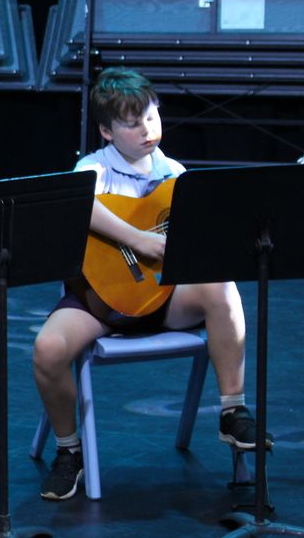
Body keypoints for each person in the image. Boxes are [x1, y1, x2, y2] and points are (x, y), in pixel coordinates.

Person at [31, 67, 269, 501]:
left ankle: (232, 411)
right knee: (48, 349)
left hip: (162, 297)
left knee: (222, 286)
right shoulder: (93, 167)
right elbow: (82, 204)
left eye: (152, 117)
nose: (147, 130)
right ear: (106, 131)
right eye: (132, 123)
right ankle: (69, 451)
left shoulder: (174, 173)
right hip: (98, 301)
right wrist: (138, 239)